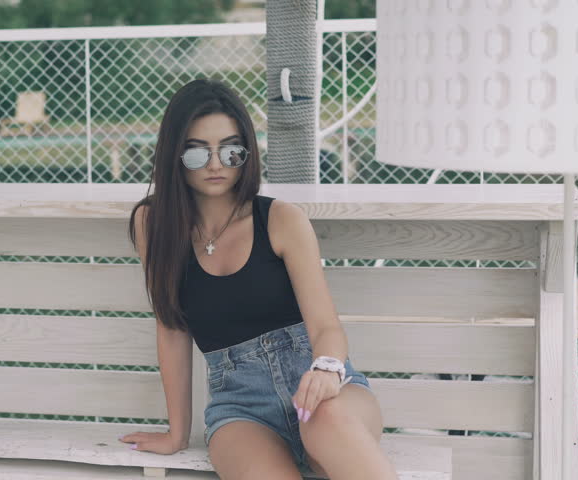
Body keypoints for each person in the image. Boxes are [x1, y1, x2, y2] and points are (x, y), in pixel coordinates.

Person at [119, 78, 397, 479]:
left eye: (231, 150)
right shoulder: (155, 224)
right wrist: (177, 433)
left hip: (322, 389)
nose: (216, 164)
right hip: (240, 407)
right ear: (173, 155)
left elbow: (325, 327)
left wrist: (326, 370)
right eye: (197, 153)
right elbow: (171, 329)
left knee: (328, 419)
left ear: (247, 151)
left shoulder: (282, 219)